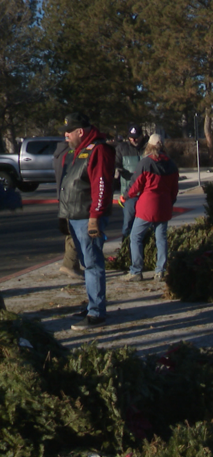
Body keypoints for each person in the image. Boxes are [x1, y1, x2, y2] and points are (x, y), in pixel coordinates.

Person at [55, 112, 115, 330]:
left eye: (68, 132)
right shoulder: (79, 151)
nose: (65, 137)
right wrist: (64, 214)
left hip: (88, 217)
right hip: (75, 216)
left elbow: (101, 186)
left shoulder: (98, 150)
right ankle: (93, 304)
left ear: (80, 132)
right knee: (86, 262)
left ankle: (96, 313)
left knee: (92, 263)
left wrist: (95, 217)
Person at [120, 134, 179, 282]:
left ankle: (136, 270)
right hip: (164, 204)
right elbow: (174, 189)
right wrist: (170, 202)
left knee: (136, 237)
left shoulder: (146, 163)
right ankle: (161, 270)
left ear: (149, 146)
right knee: (161, 238)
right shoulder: (171, 164)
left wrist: (125, 196)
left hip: (147, 205)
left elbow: (135, 184)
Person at [52, 140, 84, 280]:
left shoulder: (59, 154)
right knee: (73, 233)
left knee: (69, 231)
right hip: (70, 197)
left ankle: (73, 264)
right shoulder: (69, 155)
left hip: (62, 196)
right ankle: (69, 264)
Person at [115, 124, 148, 237]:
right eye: (131, 137)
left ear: (142, 136)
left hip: (146, 192)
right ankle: (126, 247)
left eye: (136, 137)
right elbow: (116, 163)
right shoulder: (122, 148)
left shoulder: (148, 148)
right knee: (128, 223)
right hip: (129, 193)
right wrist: (118, 170)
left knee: (147, 223)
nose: (134, 139)